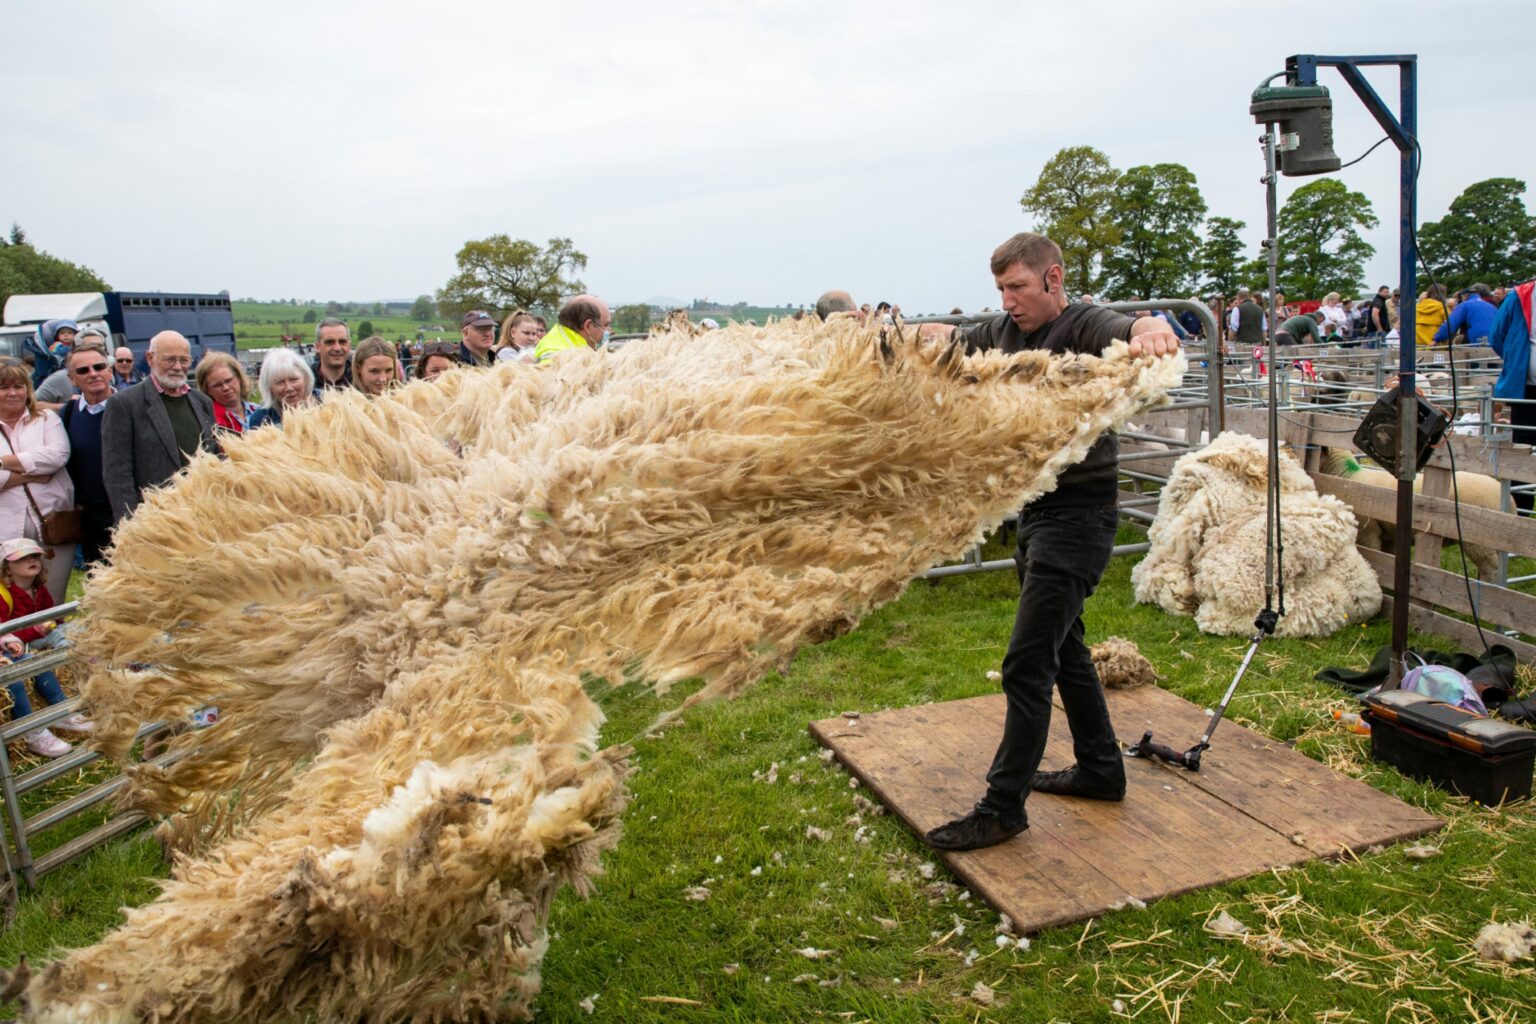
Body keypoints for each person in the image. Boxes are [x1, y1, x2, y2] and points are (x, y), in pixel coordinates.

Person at [919, 232, 1178, 851]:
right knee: (1066, 653)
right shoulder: (1001, 335)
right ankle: (1100, 769)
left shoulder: (1084, 325)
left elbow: (1134, 325)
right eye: (1001, 289)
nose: (1009, 300)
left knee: (1027, 663)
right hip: (1032, 516)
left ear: (1054, 279)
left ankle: (1002, 807)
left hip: (1081, 519)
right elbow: (950, 343)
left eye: (1019, 287)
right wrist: (925, 334)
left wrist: (1150, 327)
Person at [101, 331, 217, 524]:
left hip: (202, 515)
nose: (178, 367)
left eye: (184, 360)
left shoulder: (202, 402)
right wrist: (129, 523)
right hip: (155, 520)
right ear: (150, 358)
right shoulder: (124, 404)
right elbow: (117, 473)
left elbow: (212, 455)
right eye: (169, 360)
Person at [0, 537, 91, 757]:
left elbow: (52, 616)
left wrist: (11, 642)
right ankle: (32, 731)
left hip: (21, 644)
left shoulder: (39, 589)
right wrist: (23, 637)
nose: (32, 560)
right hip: (23, 641)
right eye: (23, 558)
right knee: (15, 677)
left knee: (36, 662)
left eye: (34, 556)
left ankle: (62, 710)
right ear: (7, 568)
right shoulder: (4, 596)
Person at [0, 359, 76, 591]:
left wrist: (3, 463)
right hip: (5, 528)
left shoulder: (46, 419)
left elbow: (57, 455)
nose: (13, 393)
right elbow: (44, 464)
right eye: (4, 387)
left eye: (19, 386)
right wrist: (30, 474)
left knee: (52, 598)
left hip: (52, 525)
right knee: (11, 602)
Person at [58, 343, 116, 564]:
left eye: (99, 367)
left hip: (133, 513)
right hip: (92, 520)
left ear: (109, 370)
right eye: (83, 370)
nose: (93, 374)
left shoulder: (132, 409)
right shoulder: (69, 413)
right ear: (72, 378)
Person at [1488, 282, 1536, 513]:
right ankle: (1522, 512)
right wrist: (1515, 358)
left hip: (1526, 384)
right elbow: (1497, 335)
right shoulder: (1521, 295)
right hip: (1526, 388)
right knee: (1523, 448)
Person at [248, 348, 322, 429]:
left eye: (293, 379)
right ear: (269, 387)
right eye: (280, 382)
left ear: (306, 378)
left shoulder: (328, 403)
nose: (288, 388)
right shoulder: (260, 419)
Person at [533, 295, 611, 366]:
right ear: (588, 326)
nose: (609, 330)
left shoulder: (562, 338)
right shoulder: (558, 360)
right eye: (606, 325)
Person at [195, 351, 258, 437]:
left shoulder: (258, 409)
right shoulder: (211, 423)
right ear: (207, 390)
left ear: (239, 377)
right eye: (217, 385)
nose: (226, 388)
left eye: (228, 381)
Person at [23, 319, 77, 390]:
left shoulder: (76, 345)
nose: (66, 335)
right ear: (57, 336)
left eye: (70, 333)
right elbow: (61, 352)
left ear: (75, 335)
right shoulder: (56, 345)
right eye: (62, 333)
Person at [311, 317, 353, 390]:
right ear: (317, 347)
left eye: (342, 342)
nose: (337, 348)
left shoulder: (361, 381)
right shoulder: (306, 383)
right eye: (330, 342)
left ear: (349, 346)